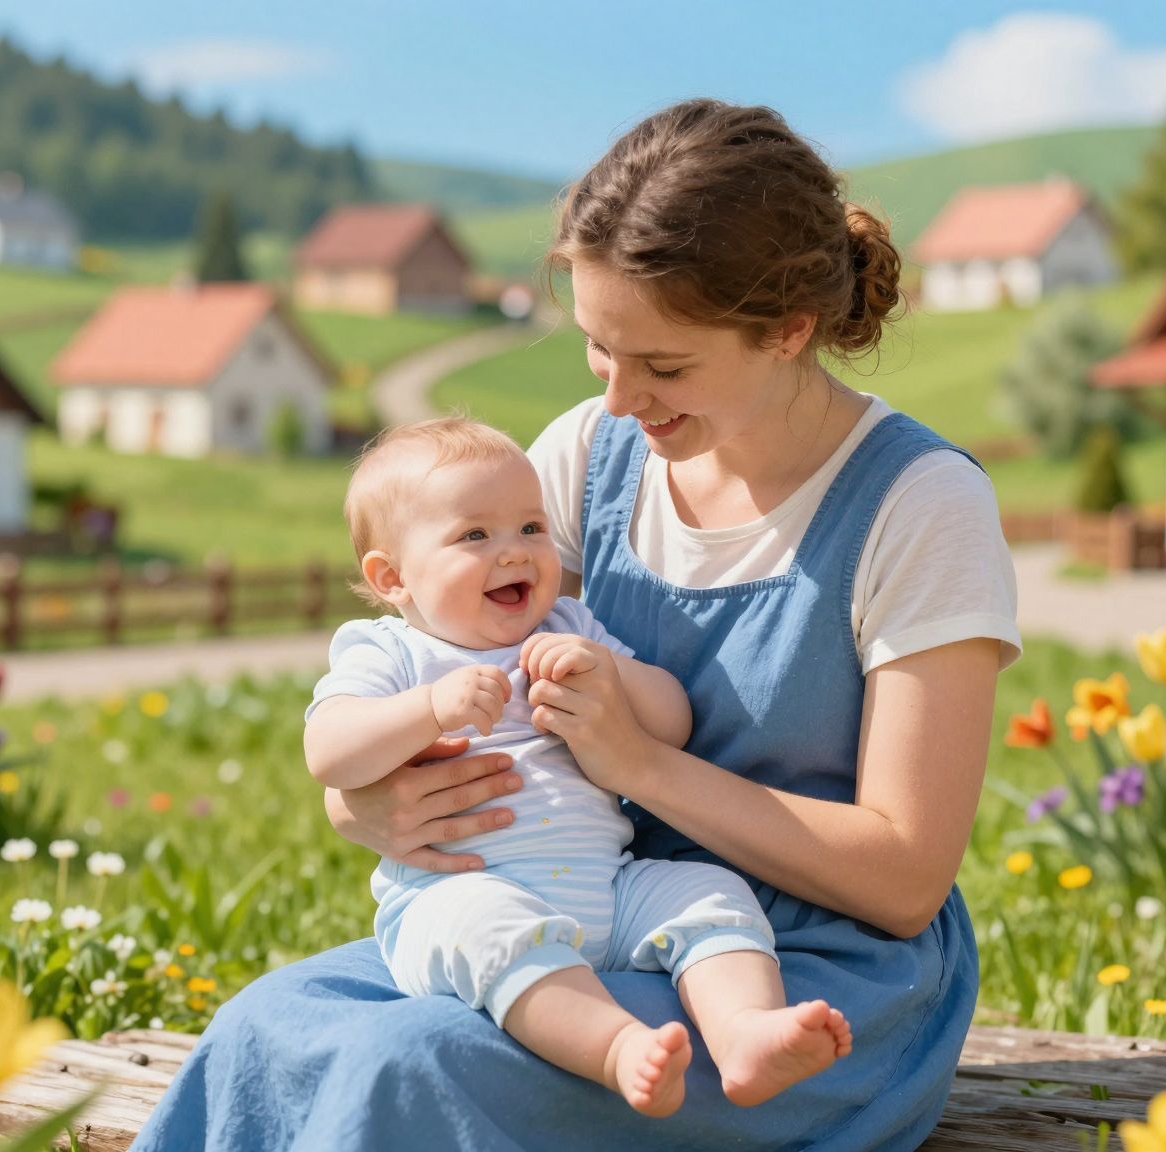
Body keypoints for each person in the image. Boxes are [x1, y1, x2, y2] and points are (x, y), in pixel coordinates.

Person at [132, 96, 1020, 1151]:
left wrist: (637, 763)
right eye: (600, 349)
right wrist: (368, 807)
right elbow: (413, 684)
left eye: (665, 366)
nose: (619, 399)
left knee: (410, 1064)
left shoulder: (915, 504)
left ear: (789, 328)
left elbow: (906, 879)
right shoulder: (588, 458)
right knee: (263, 1027)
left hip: (803, 982)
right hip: (563, 916)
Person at [305, 417, 851, 1116]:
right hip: (463, 891)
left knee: (708, 892)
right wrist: (429, 709)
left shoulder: (568, 625)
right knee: (489, 930)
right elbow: (329, 749)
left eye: (531, 528)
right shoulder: (393, 653)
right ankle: (617, 1048)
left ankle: (744, 1031)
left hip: (609, 888)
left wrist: (611, 677)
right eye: (475, 536)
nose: (514, 551)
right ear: (393, 578)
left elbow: (672, 720)